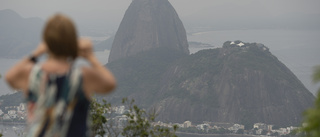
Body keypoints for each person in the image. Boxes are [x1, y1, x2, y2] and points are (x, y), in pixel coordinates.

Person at [5, 14, 116, 137]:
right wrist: (90, 57)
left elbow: (10, 77)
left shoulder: (32, 74)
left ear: (47, 41)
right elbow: (110, 84)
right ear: (72, 42)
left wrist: (36, 53)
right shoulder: (82, 76)